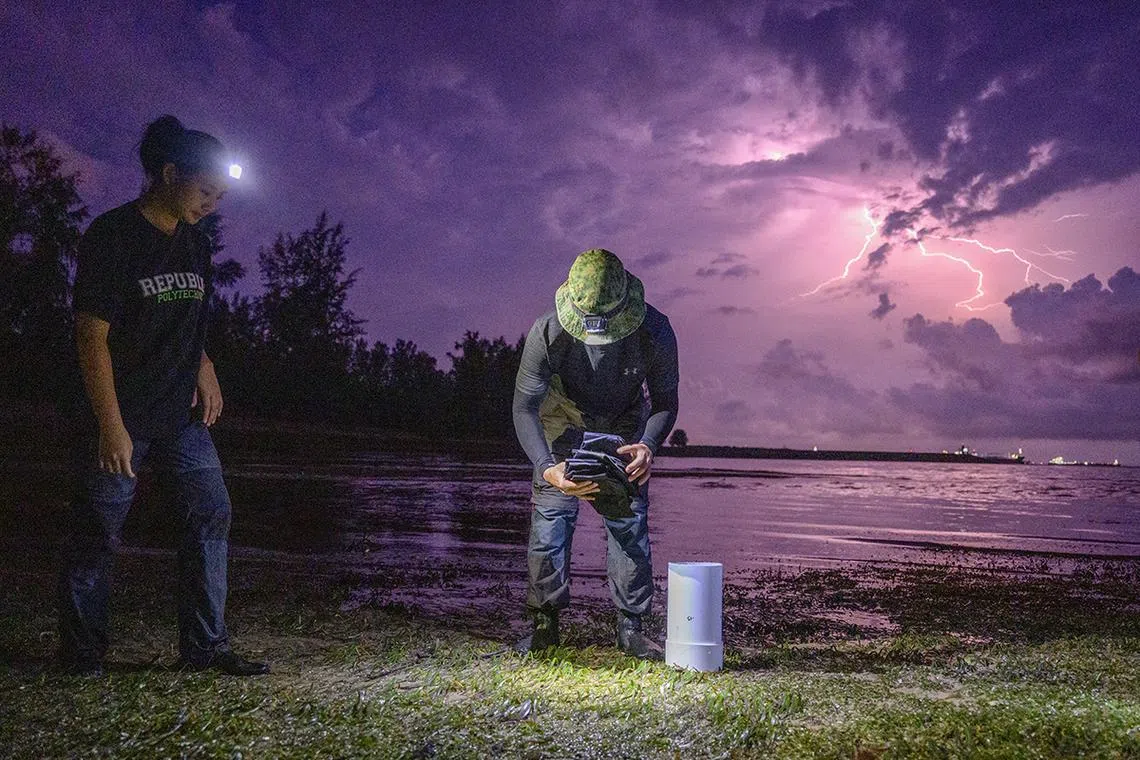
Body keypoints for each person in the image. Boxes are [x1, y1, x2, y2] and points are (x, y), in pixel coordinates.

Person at [57, 115, 268, 677]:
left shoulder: (196, 245)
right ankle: (82, 655)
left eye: (220, 196)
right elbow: (90, 334)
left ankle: (205, 646)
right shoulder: (112, 236)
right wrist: (111, 425)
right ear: (168, 174)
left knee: (210, 514)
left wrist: (205, 364)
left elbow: (187, 318)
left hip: (179, 416)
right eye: (204, 192)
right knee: (97, 530)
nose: (212, 205)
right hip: (121, 413)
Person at [512, 248, 679, 658]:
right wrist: (546, 467)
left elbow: (664, 402)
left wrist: (649, 445)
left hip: (623, 425)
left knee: (628, 520)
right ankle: (544, 624)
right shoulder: (546, 332)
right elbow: (523, 407)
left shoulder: (656, 332)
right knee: (551, 519)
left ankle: (630, 628)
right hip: (560, 421)